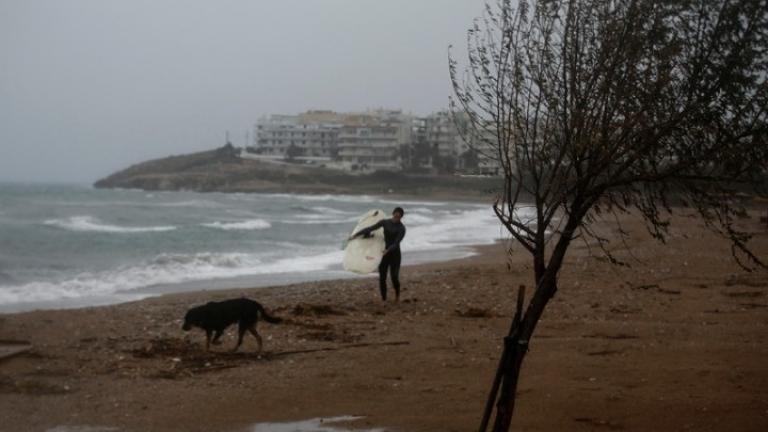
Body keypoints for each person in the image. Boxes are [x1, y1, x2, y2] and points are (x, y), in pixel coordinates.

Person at [350, 207, 406, 302]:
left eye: (399, 216)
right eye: (396, 214)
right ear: (393, 214)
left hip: (395, 255)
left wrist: (388, 250)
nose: (397, 217)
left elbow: (396, 243)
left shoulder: (402, 228)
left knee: (394, 277)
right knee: (382, 277)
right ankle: (384, 299)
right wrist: (355, 235)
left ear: (401, 217)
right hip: (384, 255)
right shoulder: (385, 222)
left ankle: (397, 295)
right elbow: (370, 228)